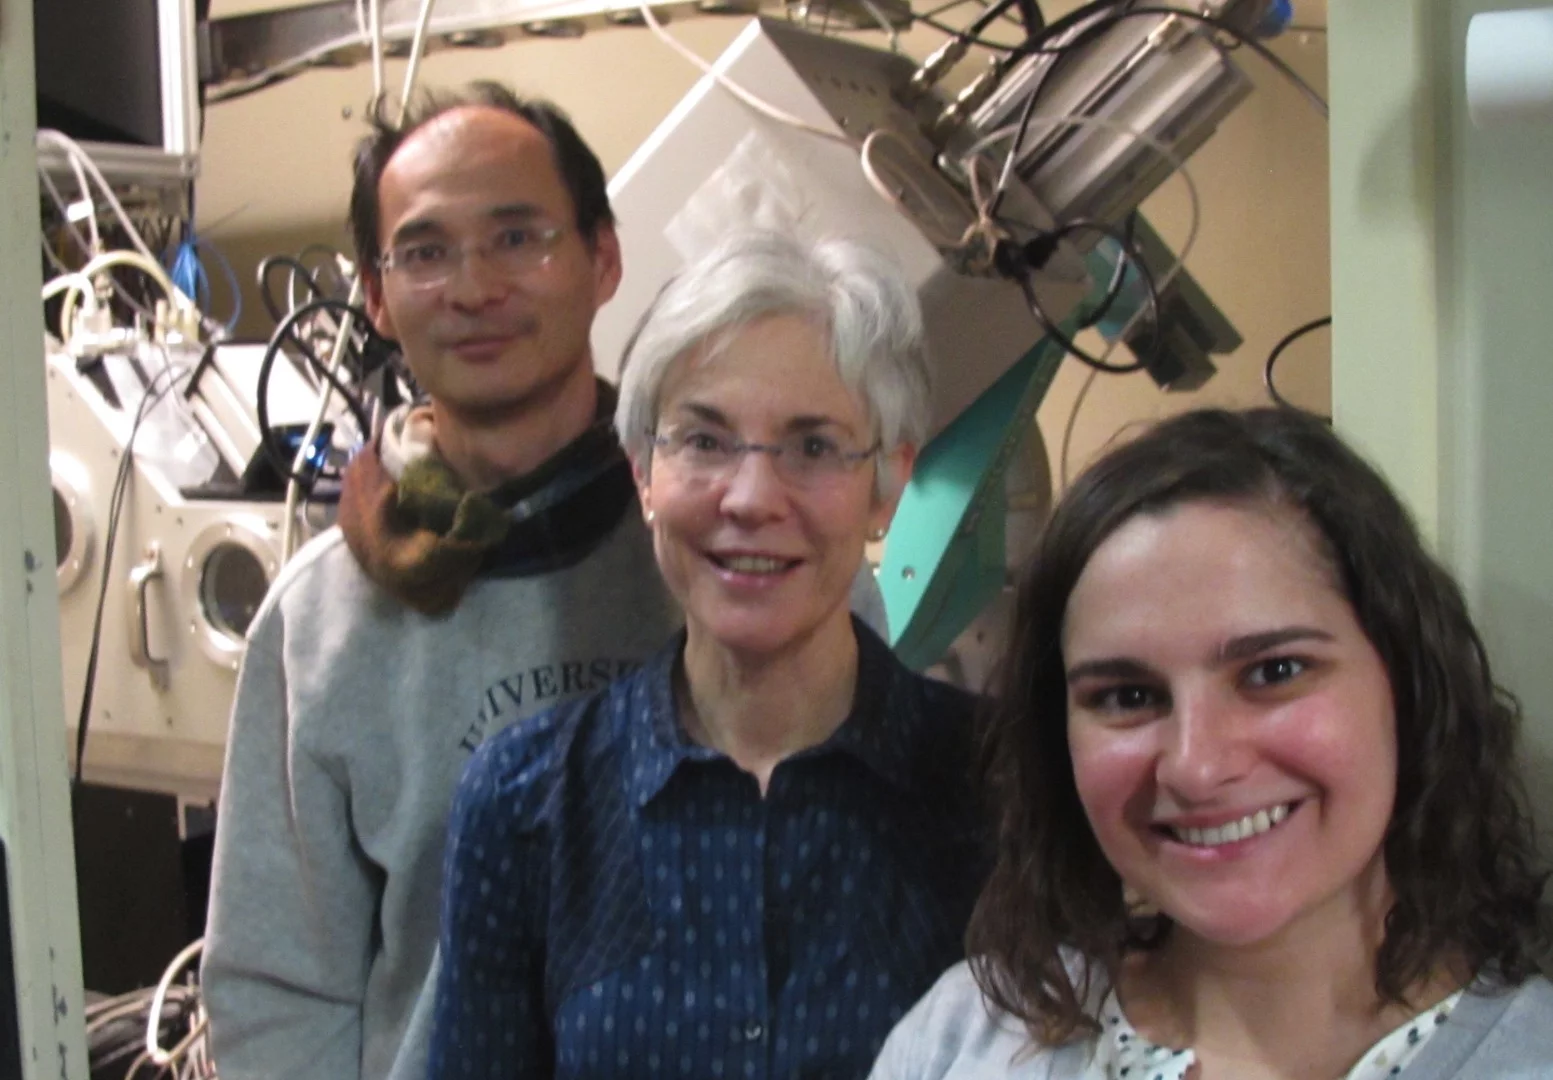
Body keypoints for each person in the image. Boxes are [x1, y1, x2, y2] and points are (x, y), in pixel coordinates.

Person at [200, 84, 683, 1080]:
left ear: (603, 259)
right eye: (424, 253)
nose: (472, 288)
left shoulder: (721, 558)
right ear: (376, 299)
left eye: (516, 238)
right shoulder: (319, 621)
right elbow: (279, 994)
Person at [426, 229, 989, 1079]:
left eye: (813, 446)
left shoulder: (997, 786)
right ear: (641, 472)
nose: (751, 498)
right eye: (704, 441)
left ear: (887, 485)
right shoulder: (523, 803)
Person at [871, 407, 1553, 1079]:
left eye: (1274, 672)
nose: (1196, 767)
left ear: (1406, 683)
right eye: (1127, 696)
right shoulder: (964, 1038)